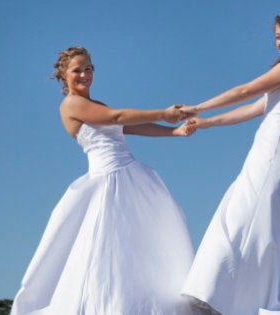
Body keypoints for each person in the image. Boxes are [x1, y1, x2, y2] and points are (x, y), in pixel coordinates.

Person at [11, 46, 197, 315]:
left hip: (130, 177)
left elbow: (127, 127)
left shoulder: (96, 105)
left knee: (142, 249)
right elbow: (117, 117)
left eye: (89, 69)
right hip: (109, 183)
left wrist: (175, 132)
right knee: (108, 253)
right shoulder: (71, 104)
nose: (84, 75)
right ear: (64, 75)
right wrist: (163, 113)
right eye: (77, 70)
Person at [180, 12, 280, 315]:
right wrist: (206, 123)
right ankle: (245, 297)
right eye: (277, 37)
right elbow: (254, 108)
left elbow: (245, 91)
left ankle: (217, 294)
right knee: (265, 225)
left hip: (275, 152)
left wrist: (197, 106)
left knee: (243, 216)